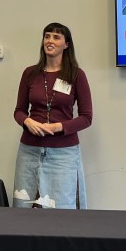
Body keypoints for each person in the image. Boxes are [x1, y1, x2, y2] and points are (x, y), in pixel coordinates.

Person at [12, 23, 93, 209]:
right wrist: (27, 121)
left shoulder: (76, 75)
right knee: (23, 205)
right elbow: (19, 111)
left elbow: (87, 117)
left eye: (56, 37)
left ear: (66, 45)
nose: (50, 41)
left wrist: (58, 127)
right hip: (29, 151)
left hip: (63, 153)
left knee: (61, 209)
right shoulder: (30, 73)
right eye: (47, 36)